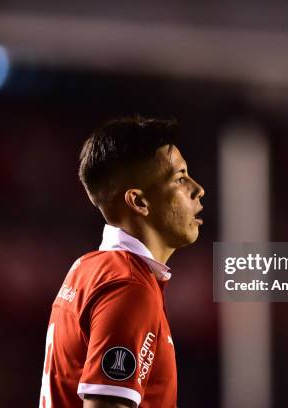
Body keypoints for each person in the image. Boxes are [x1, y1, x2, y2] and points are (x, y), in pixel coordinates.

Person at [39, 116, 205, 408]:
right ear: (138, 202)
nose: (197, 189)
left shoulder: (88, 268)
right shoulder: (128, 287)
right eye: (179, 178)